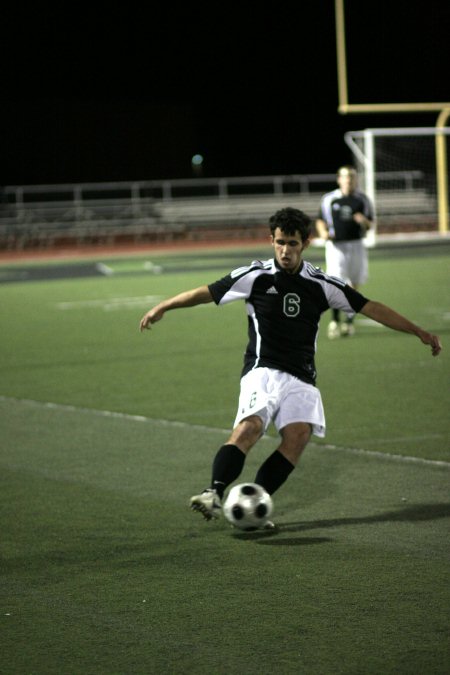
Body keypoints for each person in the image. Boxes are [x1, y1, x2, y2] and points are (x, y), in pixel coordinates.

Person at [139, 207, 441, 528]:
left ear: (306, 243)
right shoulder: (255, 276)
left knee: (297, 437)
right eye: (280, 242)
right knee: (251, 427)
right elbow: (207, 292)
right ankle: (212, 493)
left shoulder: (322, 284)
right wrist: (164, 306)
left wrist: (418, 331)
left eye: (293, 243)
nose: (285, 250)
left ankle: (256, 501)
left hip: (302, 377)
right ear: (271, 240)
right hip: (262, 370)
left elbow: (370, 307)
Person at [316, 165, 374, 339]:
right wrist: (323, 233)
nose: (348, 180)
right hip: (336, 247)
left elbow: (370, 224)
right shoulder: (329, 199)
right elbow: (320, 220)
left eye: (351, 176)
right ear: (339, 179)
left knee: (354, 285)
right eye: (345, 176)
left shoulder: (362, 199)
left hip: (356, 245)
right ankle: (334, 321)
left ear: (356, 179)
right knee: (335, 283)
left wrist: (363, 220)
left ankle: (348, 322)